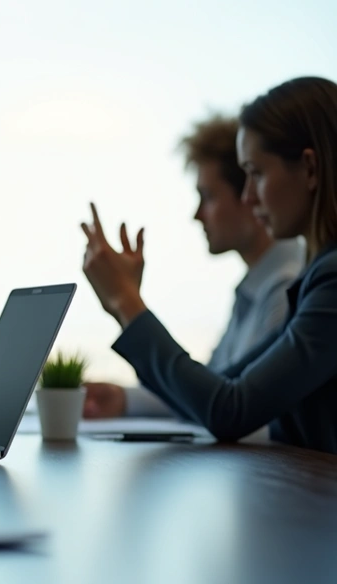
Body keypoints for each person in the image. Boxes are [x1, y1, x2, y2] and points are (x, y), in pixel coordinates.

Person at [80, 76, 337, 454]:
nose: (250, 196)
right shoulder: (315, 278)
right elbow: (220, 386)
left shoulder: (329, 281)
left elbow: (231, 410)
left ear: (310, 170)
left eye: (258, 174)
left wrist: (127, 304)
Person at [83, 116, 304, 419]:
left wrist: (126, 301)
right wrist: (124, 399)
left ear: (249, 197)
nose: (197, 215)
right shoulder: (259, 285)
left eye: (209, 196)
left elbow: (233, 410)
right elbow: (212, 386)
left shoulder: (287, 286)